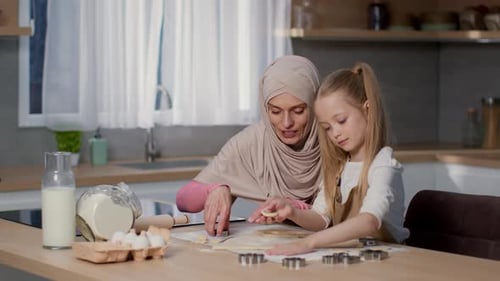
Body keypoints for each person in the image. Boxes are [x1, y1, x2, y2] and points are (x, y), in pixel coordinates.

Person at [248, 62, 409, 256]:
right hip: (353, 258)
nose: (335, 133)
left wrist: (309, 243)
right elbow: (321, 219)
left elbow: (369, 221)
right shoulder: (340, 167)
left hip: (391, 260)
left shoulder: (383, 163)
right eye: (327, 127)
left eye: (341, 121)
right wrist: (292, 212)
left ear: (368, 109)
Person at [176, 55, 323, 236]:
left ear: (315, 105)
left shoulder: (335, 139)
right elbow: (183, 199)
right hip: (276, 247)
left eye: (298, 111)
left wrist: (299, 209)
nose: (286, 123)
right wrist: (213, 189)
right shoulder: (250, 143)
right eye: (275, 111)